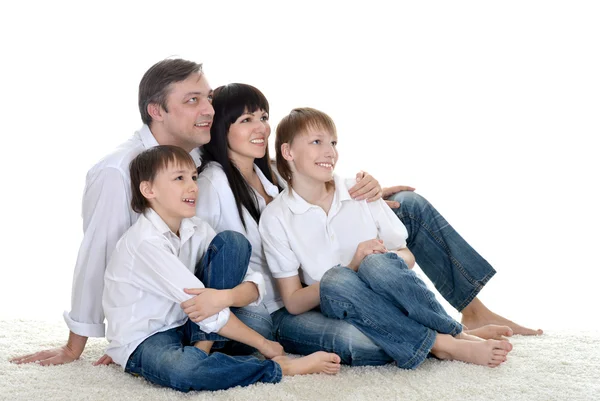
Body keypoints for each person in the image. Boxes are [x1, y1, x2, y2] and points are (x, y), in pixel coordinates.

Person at [10, 58, 382, 367]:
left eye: (207, 98)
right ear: (157, 110)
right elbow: (99, 254)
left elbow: (275, 175)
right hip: (212, 306)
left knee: (407, 209)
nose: (207, 109)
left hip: (253, 294)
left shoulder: (202, 156)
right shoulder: (117, 171)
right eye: (192, 100)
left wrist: (356, 187)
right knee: (354, 340)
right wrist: (89, 342)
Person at [196, 83, 521, 366]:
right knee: (362, 340)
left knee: (407, 205)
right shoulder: (214, 184)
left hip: (332, 275)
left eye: (264, 118)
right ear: (221, 127)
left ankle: (471, 312)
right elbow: (208, 258)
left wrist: (374, 192)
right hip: (283, 301)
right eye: (246, 120)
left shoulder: (270, 172)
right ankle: (444, 340)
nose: (261, 128)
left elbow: (318, 175)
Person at [101, 145, 340, 392]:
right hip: (148, 336)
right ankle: (281, 368)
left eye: (193, 177)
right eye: (179, 178)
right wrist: (265, 345)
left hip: (187, 323)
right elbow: (202, 305)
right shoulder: (145, 242)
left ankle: (203, 351)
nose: (193, 186)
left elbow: (254, 284)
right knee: (185, 371)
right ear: (148, 189)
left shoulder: (196, 228)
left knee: (234, 243)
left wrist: (224, 297)